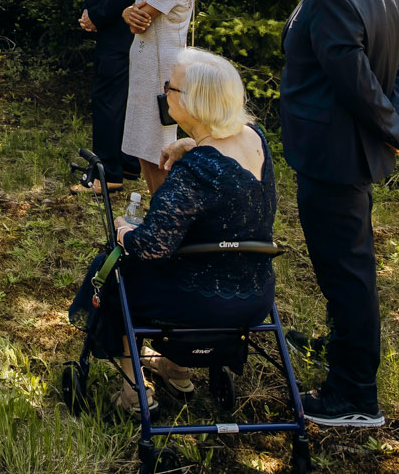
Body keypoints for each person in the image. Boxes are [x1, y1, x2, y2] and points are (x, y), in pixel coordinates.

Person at [280, 0, 399, 429]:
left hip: (332, 156)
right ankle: (344, 350)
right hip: (351, 151)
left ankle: (354, 394)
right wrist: (397, 124)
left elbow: (356, 79)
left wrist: (391, 129)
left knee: (346, 274)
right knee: (348, 268)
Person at [74, 49, 277, 408]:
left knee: (112, 270)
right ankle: (177, 369)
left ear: (195, 102)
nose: (164, 91)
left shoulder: (198, 168)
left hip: (200, 303)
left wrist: (124, 230)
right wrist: (195, 141)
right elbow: (224, 148)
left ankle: (134, 393)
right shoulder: (255, 139)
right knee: (188, 260)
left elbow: (152, 245)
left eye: (170, 87)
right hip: (253, 296)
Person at [78, 0, 161, 187]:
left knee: (108, 101)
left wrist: (95, 16)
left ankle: (108, 173)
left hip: (120, 36)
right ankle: (126, 164)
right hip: (112, 31)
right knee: (119, 100)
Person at [123, 0, 205, 192]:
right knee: (145, 145)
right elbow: (134, 14)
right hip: (150, 65)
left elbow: (139, 21)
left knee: (156, 147)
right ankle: (159, 211)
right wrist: (126, 12)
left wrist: (129, 14)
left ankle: (166, 214)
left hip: (159, 69)